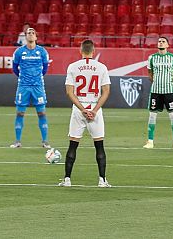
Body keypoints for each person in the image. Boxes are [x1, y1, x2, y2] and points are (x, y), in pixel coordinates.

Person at [59, 40, 112, 188]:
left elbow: (69, 92)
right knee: (99, 146)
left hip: (79, 109)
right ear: (93, 51)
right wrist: (94, 110)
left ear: (80, 50)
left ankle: (67, 179)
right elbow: (106, 91)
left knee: (73, 145)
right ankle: (102, 180)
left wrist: (82, 109)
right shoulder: (101, 67)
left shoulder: (73, 67)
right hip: (95, 108)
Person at [10, 27, 50, 148]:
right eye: (29, 33)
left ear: (36, 37)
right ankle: (17, 141)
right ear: (25, 36)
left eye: (33, 33)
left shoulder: (42, 52)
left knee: (42, 113)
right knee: (20, 113)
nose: (31, 35)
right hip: (23, 86)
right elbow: (14, 68)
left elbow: (45, 69)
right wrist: (24, 78)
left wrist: (36, 78)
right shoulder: (18, 52)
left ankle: (45, 141)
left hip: (38, 86)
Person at [143, 36, 173, 149]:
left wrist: (169, 84)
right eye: (159, 41)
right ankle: (150, 141)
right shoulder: (152, 58)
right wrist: (156, 82)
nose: (160, 43)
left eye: (163, 41)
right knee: (152, 115)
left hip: (169, 91)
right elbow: (150, 74)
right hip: (155, 91)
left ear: (167, 45)